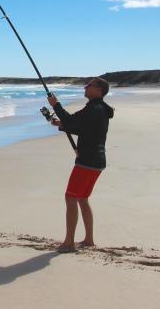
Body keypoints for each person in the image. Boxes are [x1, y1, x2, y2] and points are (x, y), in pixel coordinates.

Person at [47, 77, 114, 253]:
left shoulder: (94, 109)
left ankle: (69, 243)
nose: (85, 87)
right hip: (97, 161)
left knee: (71, 198)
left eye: (89, 85)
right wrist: (61, 125)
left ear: (99, 90)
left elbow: (72, 122)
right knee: (82, 199)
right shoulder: (99, 110)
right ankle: (89, 239)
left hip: (87, 162)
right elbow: (80, 127)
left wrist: (56, 105)